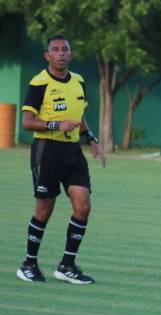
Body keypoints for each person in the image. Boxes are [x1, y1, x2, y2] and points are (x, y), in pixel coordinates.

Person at [16, 34, 106, 284]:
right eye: (55, 50)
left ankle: (67, 265)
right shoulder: (39, 82)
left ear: (71, 54)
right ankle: (28, 264)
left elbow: (80, 114)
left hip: (72, 152)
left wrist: (91, 138)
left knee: (83, 205)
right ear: (47, 56)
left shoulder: (78, 81)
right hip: (47, 150)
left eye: (65, 49)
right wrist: (58, 124)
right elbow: (26, 122)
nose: (61, 53)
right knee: (45, 208)